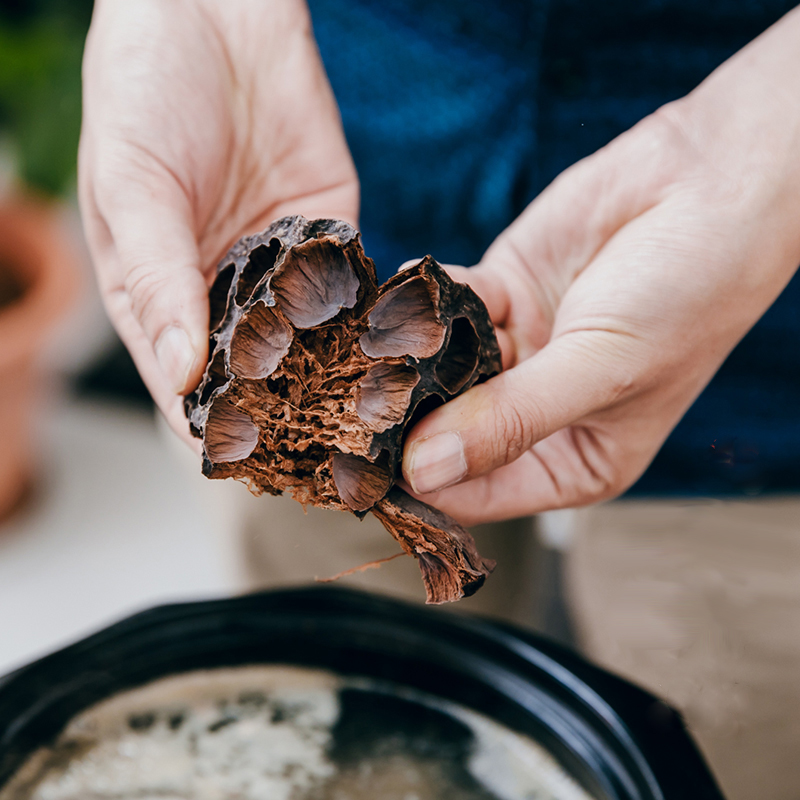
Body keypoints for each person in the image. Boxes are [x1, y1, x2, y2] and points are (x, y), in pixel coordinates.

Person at [79, 1, 800, 797]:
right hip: (293, 128)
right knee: (352, 719)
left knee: (720, 729)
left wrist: (773, 145)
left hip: (768, 338)